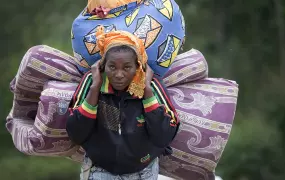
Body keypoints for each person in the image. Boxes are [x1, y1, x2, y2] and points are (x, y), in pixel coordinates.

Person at [66, 26, 179, 180]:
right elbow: (76, 134)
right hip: (99, 170)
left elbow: (163, 136)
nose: (119, 75)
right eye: (112, 67)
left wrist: (146, 90)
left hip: (143, 172)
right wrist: (94, 89)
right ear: (102, 66)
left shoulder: (151, 85)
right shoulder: (92, 82)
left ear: (138, 66)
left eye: (127, 67)